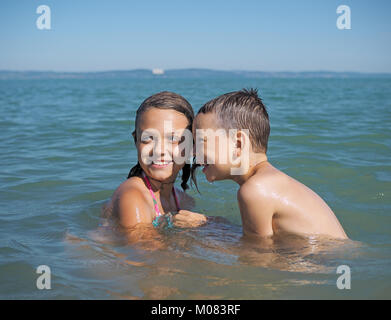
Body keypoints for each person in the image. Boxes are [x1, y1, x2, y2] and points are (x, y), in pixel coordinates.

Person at [193, 88, 348, 239]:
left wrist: (206, 226)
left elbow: (257, 258)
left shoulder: (255, 190)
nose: (193, 152)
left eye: (200, 141)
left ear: (238, 144)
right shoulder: (269, 182)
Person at [106, 91, 206, 241]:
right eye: (148, 138)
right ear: (136, 140)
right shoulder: (132, 196)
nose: (159, 150)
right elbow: (148, 257)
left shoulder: (184, 200)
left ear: (192, 145)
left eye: (173, 139)